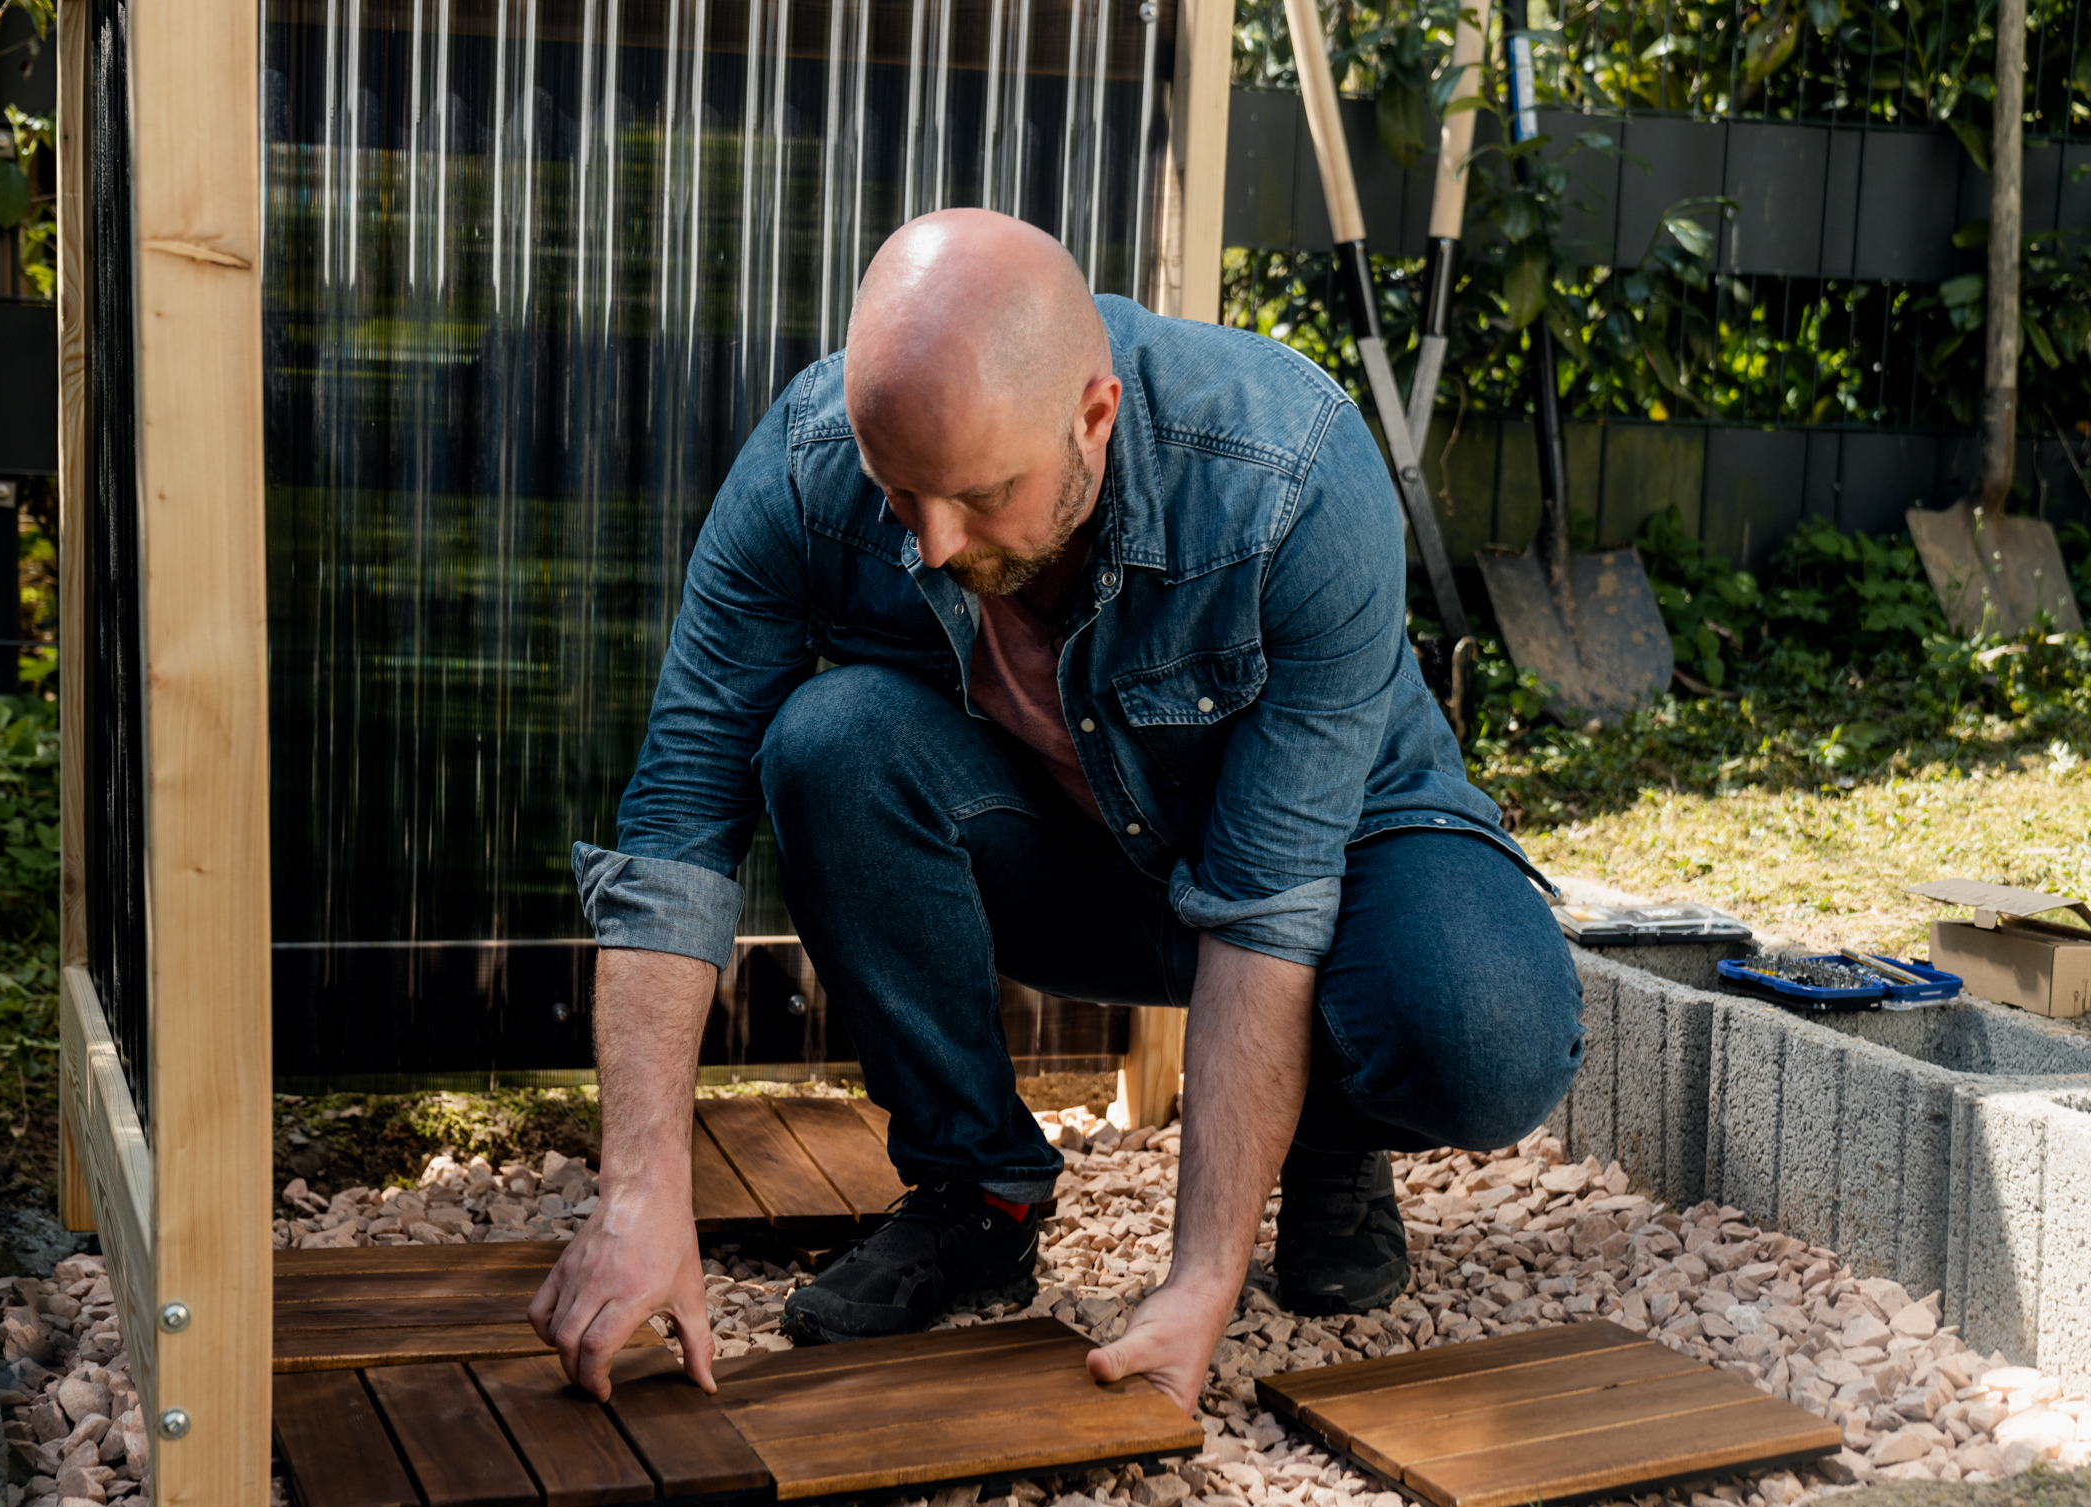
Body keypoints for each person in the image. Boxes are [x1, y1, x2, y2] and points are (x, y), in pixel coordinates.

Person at [531, 209, 1582, 1414]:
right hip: (1073, 851)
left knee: (1486, 1036)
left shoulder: (1288, 478)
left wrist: (1198, 1282)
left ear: (1094, 414)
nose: (929, 543)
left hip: (1342, 853)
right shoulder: (805, 469)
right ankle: (977, 1191)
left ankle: (1334, 1124)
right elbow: (677, 809)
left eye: (978, 496)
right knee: (823, 742)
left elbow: (1267, 900)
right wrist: (637, 1190)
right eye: (899, 493)